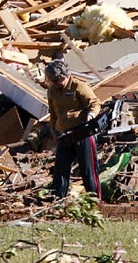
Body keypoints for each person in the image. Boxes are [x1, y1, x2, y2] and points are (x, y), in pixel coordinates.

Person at [43, 58, 102, 200]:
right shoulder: (52, 91)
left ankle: (95, 200)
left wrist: (91, 115)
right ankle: (58, 200)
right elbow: (53, 113)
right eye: (53, 81)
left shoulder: (79, 86)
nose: (56, 84)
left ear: (65, 76)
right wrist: (54, 130)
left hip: (82, 134)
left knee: (88, 170)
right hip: (64, 135)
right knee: (60, 170)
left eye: (58, 81)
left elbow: (95, 103)